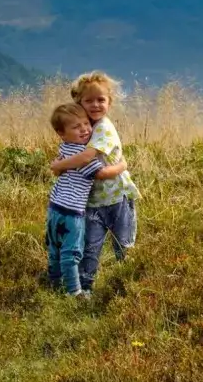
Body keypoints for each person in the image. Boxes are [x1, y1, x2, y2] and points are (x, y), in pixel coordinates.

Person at [50, 71, 140, 293]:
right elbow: (71, 152)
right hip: (91, 201)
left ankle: (125, 284)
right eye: (88, 100)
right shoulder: (83, 126)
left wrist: (60, 166)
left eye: (101, 100)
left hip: (116, 197)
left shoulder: (103, 128)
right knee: (90, 247)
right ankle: (86, 287)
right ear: (78, 102)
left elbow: (89, 160)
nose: (95, 105)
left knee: (124, 244)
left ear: (110, 102)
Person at [45, 103, 125, 296]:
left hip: (54, 206)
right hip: (72, 211)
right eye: (76, 127)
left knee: (55, 248)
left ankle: (54, 283)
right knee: (71, 252)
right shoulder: (82, 156)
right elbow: (102, 173)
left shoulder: (65, 148)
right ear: (61, 133)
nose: (85, 129)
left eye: (86, 123)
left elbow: (60, 167)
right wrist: (122, 165)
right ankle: (74, 292)